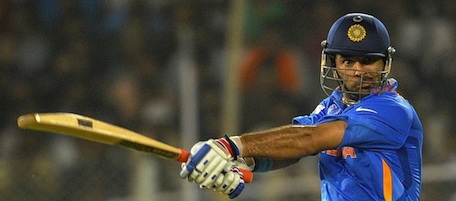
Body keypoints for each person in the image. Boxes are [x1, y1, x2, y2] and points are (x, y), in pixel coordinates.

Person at [180, 13, 423, 200]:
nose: (357, 70)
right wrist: (243, 163)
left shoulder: (393, 109)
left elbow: (310, 139)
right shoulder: (331, 107)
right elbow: (295, 150)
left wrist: (230, 146)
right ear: (332, 63)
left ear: (385, 64)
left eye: (368, 61)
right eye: (347, 60)